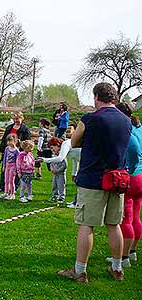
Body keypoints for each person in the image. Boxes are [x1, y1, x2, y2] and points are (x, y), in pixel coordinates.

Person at [58, 82, 131, 283]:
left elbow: (74, 141)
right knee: (113, 225)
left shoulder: (91, 119)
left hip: (93, 179)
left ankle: (80, 271)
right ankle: (117, 269)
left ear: (97, 97)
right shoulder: (126, 121)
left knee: (86, 225)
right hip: (118, 179)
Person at [111, 102, 142, 268]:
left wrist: (129, 169)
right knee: (136, 216)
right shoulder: (139, 127)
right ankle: (132, 252)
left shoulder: (127, 130)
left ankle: (123, 258)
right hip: (141, 177)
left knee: (126, 219)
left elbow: (134, 150)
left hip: (133, 177)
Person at [37, 139, 81, 208]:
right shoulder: (67, 145)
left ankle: (76, 203)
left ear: (57, 144)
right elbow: (75, 159)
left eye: (52, 147)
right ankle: (75, 202)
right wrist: (74, 173)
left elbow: (60, 158)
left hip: (87, 162)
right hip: (83, 161)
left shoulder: (65, 144)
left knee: (81, 183)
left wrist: (44, 160)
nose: (52, 150)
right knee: (80, 183)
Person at [0, 112, 31, 192]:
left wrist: (21, 144)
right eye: (14, 119)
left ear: (22, 118)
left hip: (18, 152)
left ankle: (14, 187)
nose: (16, 121)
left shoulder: (25, 129)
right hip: (8, 151)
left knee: (16, 170)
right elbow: (4, 139)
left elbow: (28, 141)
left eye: (17, 119)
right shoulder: (9, 128)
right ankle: (2, 186)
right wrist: (2, 150)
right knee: (4, 169)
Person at [0, 134, 20, 200]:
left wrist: (16, 170)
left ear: (15, 141)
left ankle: (12, 194)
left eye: (11, 141)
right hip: (7, 166)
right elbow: (5, 157)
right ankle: (6, 192)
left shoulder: (16, 151)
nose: (9, 143)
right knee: (6, 180)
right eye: (8, 141)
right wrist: (4, 166)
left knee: (11, 180)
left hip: (13, 167)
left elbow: (17, 161)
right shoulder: (7, 148)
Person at [47, 137, 67, 204]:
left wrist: (58, 170)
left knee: (61, 185)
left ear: (58, 146)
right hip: (55, 174)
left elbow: (64, 165)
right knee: (54, 185)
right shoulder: (53, 156)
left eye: (53, 148)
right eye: (51, 148)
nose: (52, 150)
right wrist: (52, 169)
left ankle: (61, 197)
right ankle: (54, 196)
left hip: (60, 174)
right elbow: (51, 163)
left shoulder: (62, 156)